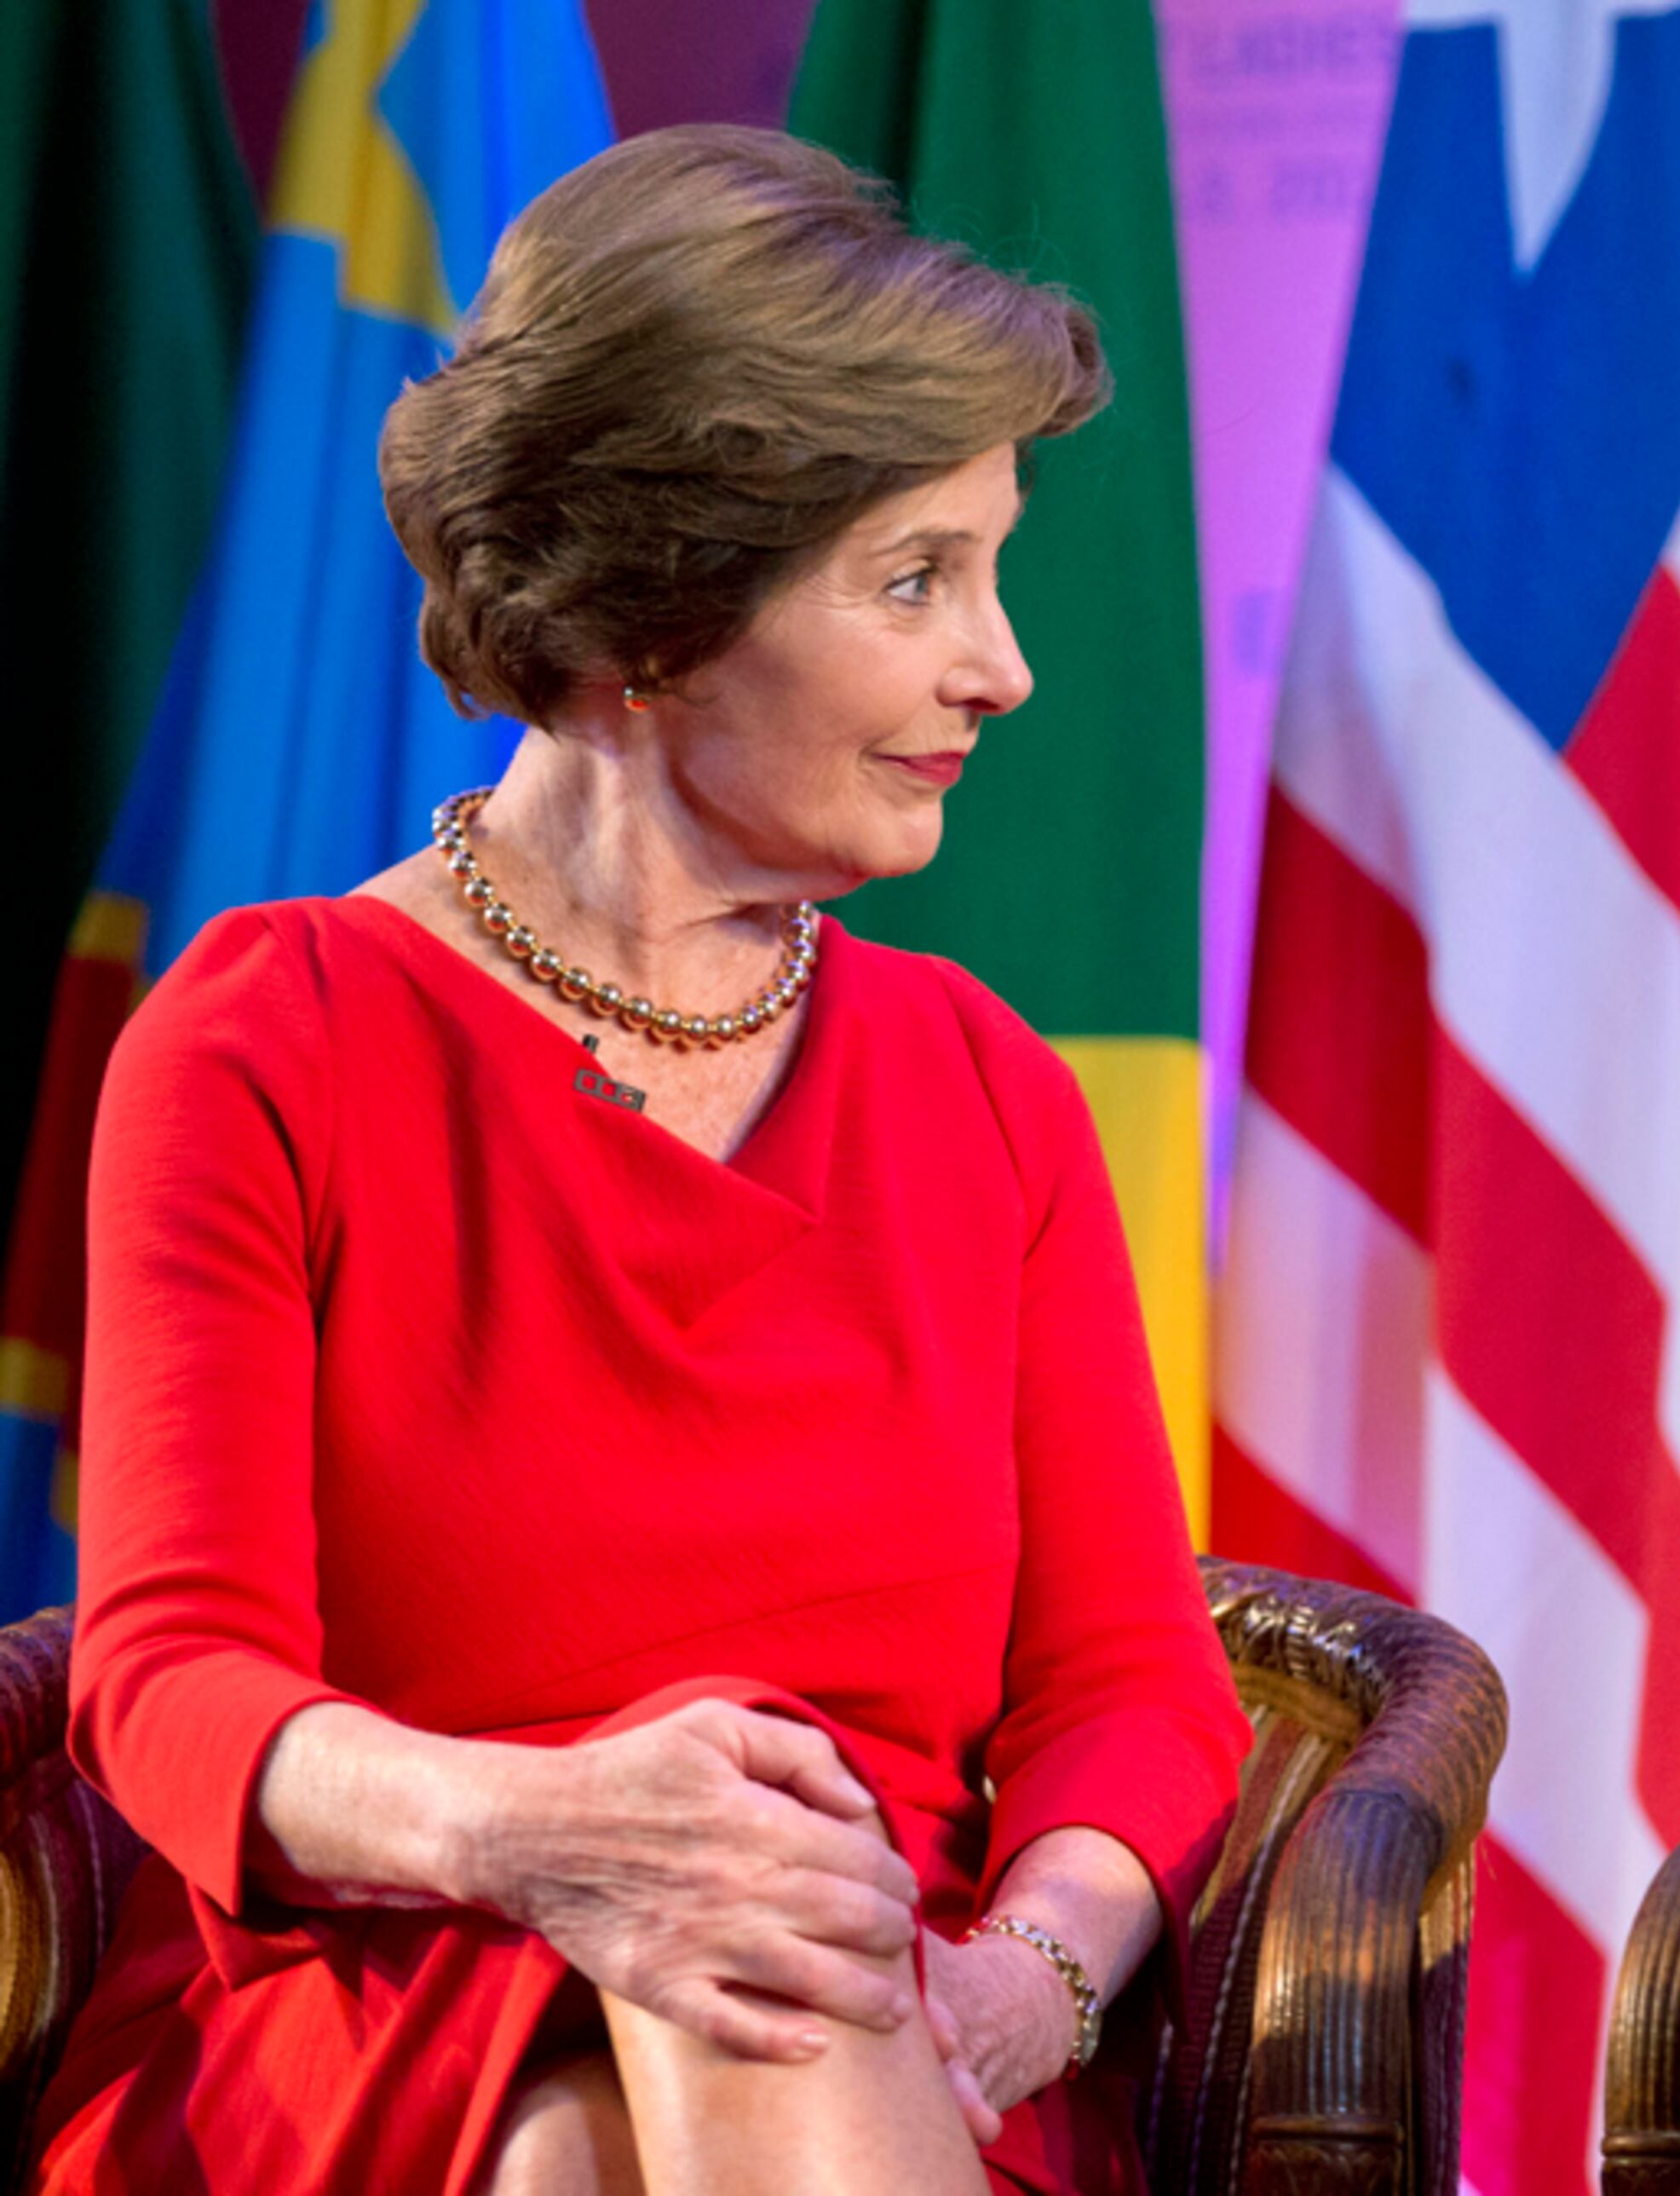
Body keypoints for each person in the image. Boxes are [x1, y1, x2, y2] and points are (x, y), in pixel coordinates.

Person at [32, 127, 1251, 2196]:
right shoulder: (265, 1040)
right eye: (914, 578)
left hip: (910, 2015)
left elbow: (1133, 1689)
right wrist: (545, 1833)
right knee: (681, 2005)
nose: (1004, 665)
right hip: (374, 1988)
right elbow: (168, 1675)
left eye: (991, 566)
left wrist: (1031, 1972)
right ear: (659, 611)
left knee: (745, 1973)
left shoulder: (984, 1093)